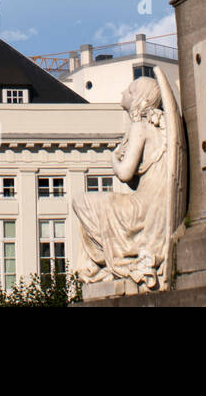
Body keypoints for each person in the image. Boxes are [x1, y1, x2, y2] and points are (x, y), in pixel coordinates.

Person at [73, 76, 170, 288]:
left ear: (138, 99)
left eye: (129, 90)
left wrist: (113, 159)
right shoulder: (160, 127)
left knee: (82, 202)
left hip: (144, 209)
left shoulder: (140, 128)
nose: (123, 93)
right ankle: (103, 262)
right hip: (157, 209)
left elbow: (125, 174)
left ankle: (109, 262)